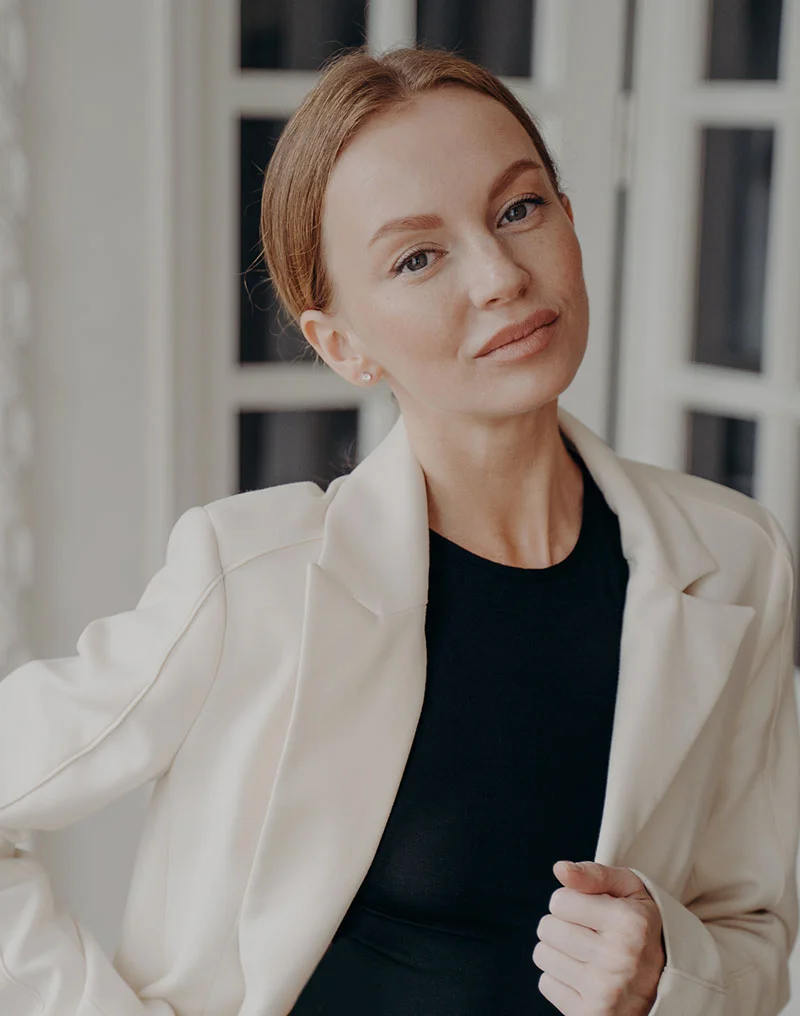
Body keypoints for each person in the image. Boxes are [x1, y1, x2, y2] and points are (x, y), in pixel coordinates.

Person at [0, 45, 797, 1016]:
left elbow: (752, 931)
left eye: (518, 208)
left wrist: (667, 967)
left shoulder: (734, 561)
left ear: (569, 217)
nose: (500, 275)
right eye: (416, 257)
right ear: (341, 344)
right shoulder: (253, 576)